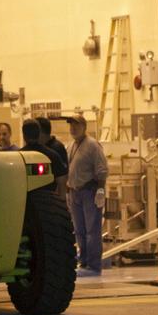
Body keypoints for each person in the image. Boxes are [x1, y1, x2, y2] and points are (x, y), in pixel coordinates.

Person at [66, 116, 108, 277]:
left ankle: (94, 265)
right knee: (79, 230)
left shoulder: (92, 145)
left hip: (89, 192)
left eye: (76, 125)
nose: (73, 128)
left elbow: (102, 169)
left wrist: (100, 190)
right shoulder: (71, 145)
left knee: (92, 230)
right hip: (74, 192)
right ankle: (83, 261)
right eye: (71, 125)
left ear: (84, 127)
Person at [23, 119, 67, 191]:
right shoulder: (52, 155)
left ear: (24, 136)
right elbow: (62, 181)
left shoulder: (19, 157)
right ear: (39, 134)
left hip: (25, 197)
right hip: (48, 196)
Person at [37, 117, 70, 196]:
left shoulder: (57, 148)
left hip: (53, 194)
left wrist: (60, 198)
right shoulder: (39, 147)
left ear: (41, 132)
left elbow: (63, 177)